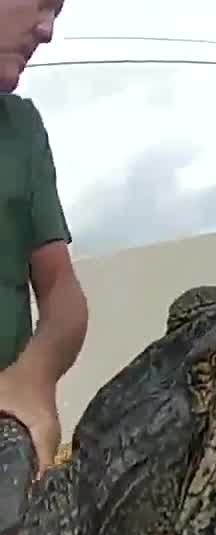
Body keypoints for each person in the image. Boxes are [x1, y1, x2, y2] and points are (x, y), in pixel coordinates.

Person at [0, 0, 89, 472]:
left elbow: (61, 291)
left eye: (57, 10)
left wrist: (32, 379)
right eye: (38, 2)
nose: (47, 30)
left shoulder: (21, 129)